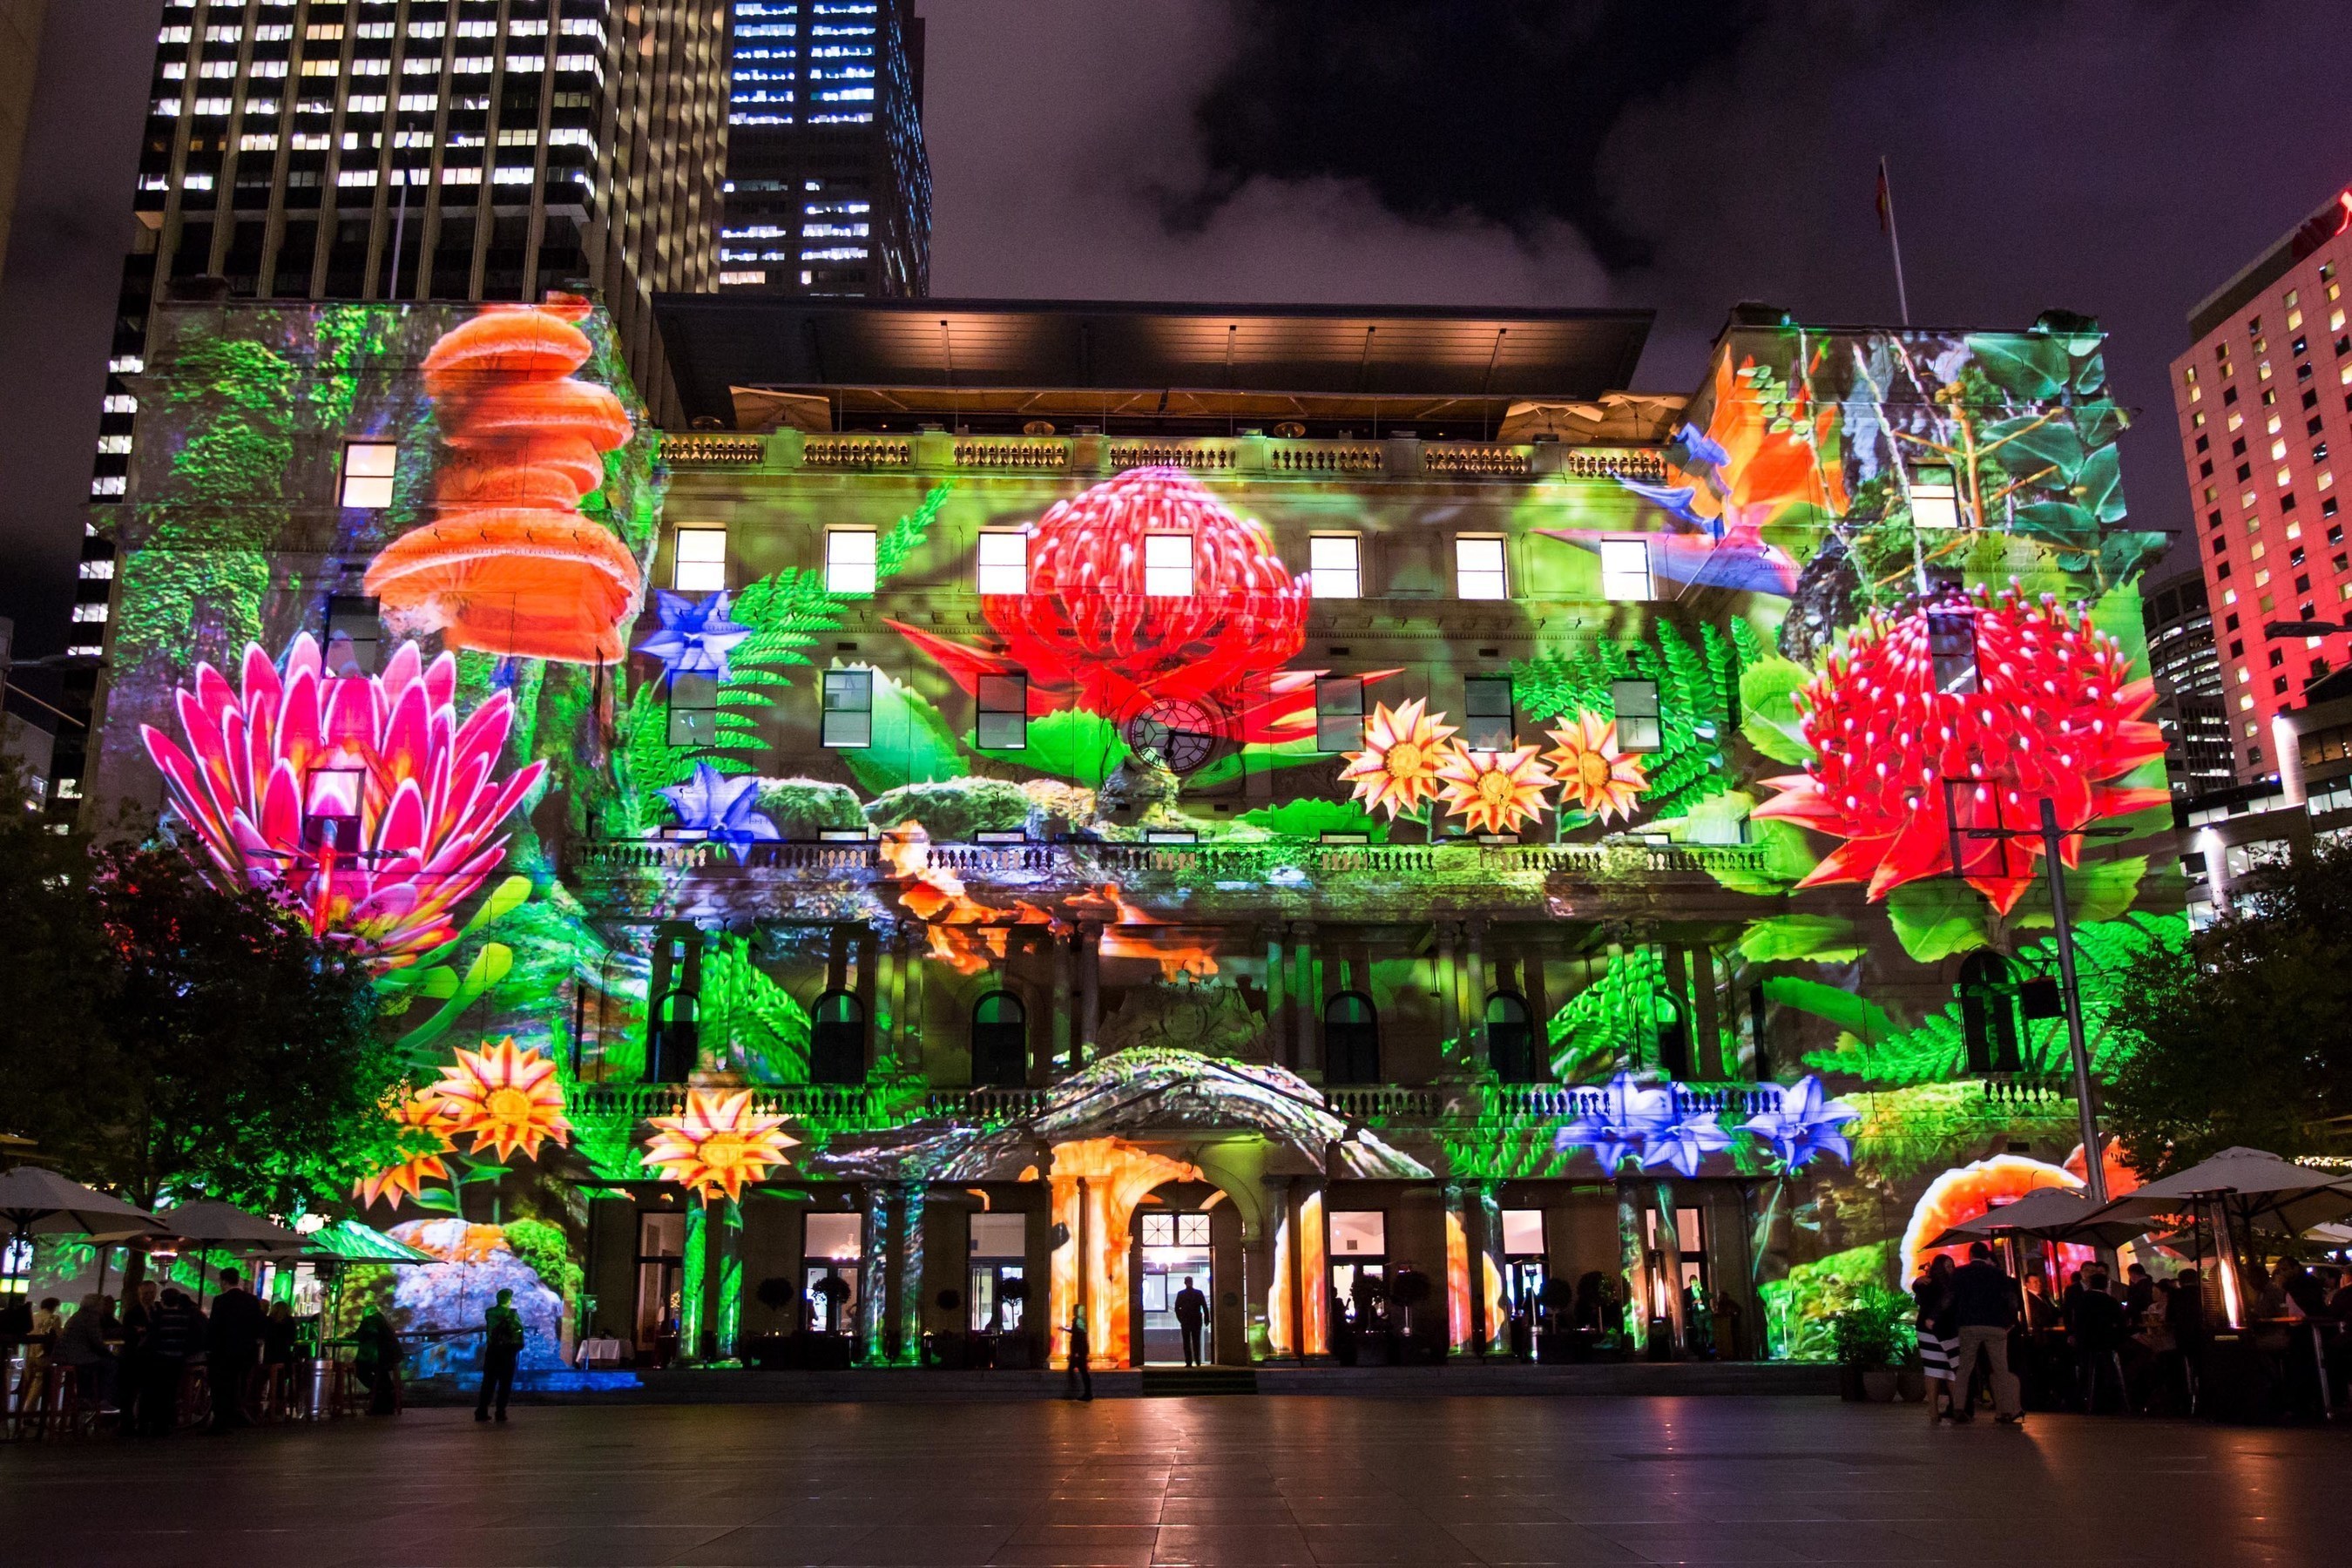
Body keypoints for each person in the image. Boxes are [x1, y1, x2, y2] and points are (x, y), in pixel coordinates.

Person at [1948, 1242, 2024, 1424]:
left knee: (1965, 1368)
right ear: (1986, 1255)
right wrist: (2010, 1321)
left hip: (1969, 1325)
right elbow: (2011, 1299)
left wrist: (1935, 1316)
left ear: (1971, 1255)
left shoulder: (1961, 1273)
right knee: (2000, 1369)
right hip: (1995, 1325)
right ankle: (2005, 1410)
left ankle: (1958, 1407)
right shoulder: (1997, 1274)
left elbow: (1950, 1297)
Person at [206, 1269, 267, 1429]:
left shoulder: (221, 1300)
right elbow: (259, 1324)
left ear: (224, 1281)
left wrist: (211, 1348)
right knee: (240, 1384)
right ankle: (238, 1413)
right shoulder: (252, 1300)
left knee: (222, 1385)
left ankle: (222, 1419)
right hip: (246, 1351)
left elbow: (215, 1326)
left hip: (224, 1351)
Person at [2068, 1269, 2129, 1413]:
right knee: (2109, 1370)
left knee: (2088, 1371)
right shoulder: (2110, 1301)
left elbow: (2076, 1321)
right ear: (2106, 1284)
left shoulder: (2081, 1299)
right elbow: (2120, 1323)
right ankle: (2113, 1400)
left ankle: (2087, 1400)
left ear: (2090, 1284)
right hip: (2107, 1344)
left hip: (2086, 1343)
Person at [145, 1288, 202, 1436]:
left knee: (158, 1391)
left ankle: (157, 1424)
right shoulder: (185, 1317)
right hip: (177, 1359)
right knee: (171, 1391)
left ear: (163, 1301)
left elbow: (152, 1338)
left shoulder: (160, 1317)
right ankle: (168, 1423)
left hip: (160, 1359)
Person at [52, 1293, 121, 1413]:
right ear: (97, 1305)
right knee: (112, 1365)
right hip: (78, 1357)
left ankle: (85, 1398)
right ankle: (102, 1400)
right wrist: (110, 1355)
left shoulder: (78, 1315)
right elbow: (96, 1342)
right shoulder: (91, 1318)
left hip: (65, 1356)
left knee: (102, 1364)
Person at [1914, 1255, 1959, 1424]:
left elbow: (1919, 1297)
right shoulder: (1946, 1286)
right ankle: (1951, 1408)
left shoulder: (1926, 1284)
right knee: (1946, 1370)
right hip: (1939, 1329)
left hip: (1933, 1329)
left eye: (1952, 1266)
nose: (1951, 1269)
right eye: (1948, 1266)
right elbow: (1945, 1302)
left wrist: (1917, 1283)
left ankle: (1938, 1409)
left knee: (1939, 1370)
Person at [476, 1288, 525, 1423]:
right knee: (505, 1384)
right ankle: (500, 1412)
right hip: (507, 1352)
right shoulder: (511, 1314)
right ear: (508, 1299)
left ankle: (481, 1411)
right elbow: (519, 1329)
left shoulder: (490, 1312)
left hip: (492, 1350)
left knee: (488, 1382)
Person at [118, 1281, 160, 1436]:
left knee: (147, 1390)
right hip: (134, 1357)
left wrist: (144, 1330)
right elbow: (130, 1333)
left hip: (149, 1357)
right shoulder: (133, 1313)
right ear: (139, 1294)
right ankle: (128, 1424)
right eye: (145, 1294)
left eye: (151, 1293)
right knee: (130, 1392)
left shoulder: (157, 1311)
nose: (149, 1297)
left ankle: (143, 1422)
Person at [352, 1306, 403, 1416]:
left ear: (367, 1313)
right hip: (391, 1357)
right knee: (382, 1375)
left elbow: (363, 1334)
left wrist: (351, 1336)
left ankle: (379, 1390)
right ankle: (384, 1393)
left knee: (360, 1369)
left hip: (381, 1357)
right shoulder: (384, 1321)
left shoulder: (371, 1320)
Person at [260, 1301, 300, 1419]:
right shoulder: (290, 1322)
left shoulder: (268, 1321)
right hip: (284, 1357)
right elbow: (292, 1340)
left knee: (263, 1378)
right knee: (281, 1379)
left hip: (268, 1357)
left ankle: (263, 1403)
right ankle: (279, 1405)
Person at [1172, 1275, 1208, 1369]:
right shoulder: (1199, 1293)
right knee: (1196, 1341)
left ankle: (1188, 1362)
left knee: (1186, 1342)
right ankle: (1198, 1360)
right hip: (1196, 1320)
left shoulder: (1181, 1294)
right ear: (1192, 1282)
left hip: (1186, 1321)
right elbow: (1204, 1307)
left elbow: (1176, 1308)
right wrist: (1206, 1319)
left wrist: (1180, 1318)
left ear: (1185, 1283)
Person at [1065, 1310, 1092, 1401]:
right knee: (1080, 1372)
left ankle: (1084, 1392)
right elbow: (1076, 1332)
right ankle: (1085, 1392)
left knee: (1082, 1372)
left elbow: (1078, 1335)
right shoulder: (1079, 1321)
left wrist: (1076, 1353)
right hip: (1079, 1352)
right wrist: (1065, 1329)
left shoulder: (1078, 1321)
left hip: (1078, 1353)